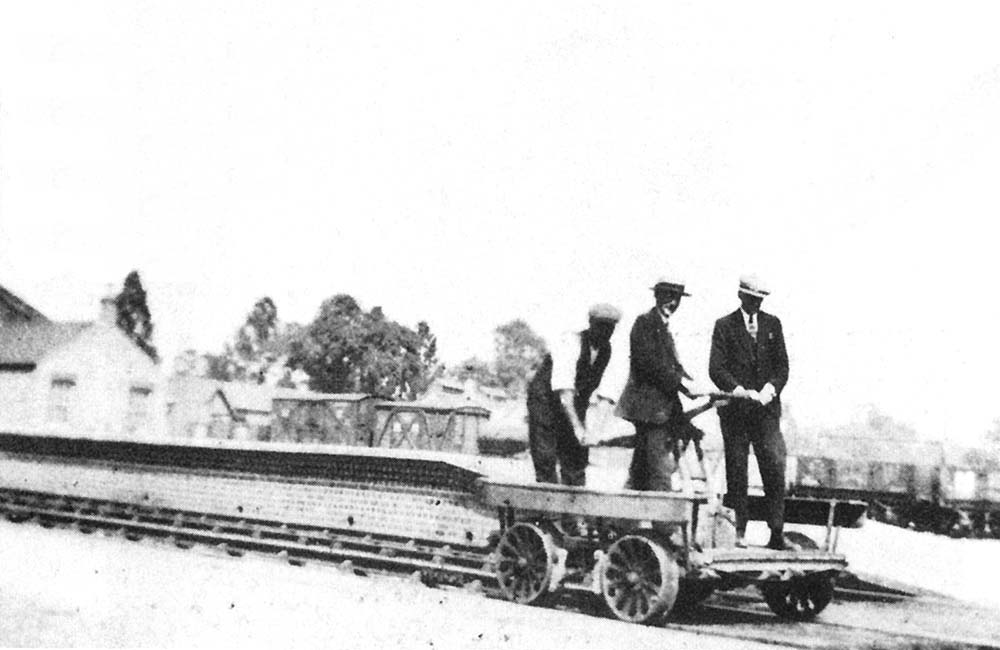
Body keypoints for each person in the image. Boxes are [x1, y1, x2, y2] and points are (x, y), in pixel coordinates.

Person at [709, 274, 791, 550]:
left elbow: (783, 367)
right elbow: (716, 368)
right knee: (737, 470)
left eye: (760, 299)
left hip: (766, 412)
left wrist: (770, 389)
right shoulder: (724, 326)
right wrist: (739, 389)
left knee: (774, 463)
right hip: (736, 413)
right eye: (751, 298)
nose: (755, 304)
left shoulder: (773, 324)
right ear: (741, 296)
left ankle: (776, 532)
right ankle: (739, 532)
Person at [526, 303, 622, 486]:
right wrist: (577, 427)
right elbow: (565, 390)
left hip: (574, 403)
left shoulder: (606, 351)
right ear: (591, 323)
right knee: (545, 457)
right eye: (601, 326)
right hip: (545, 402)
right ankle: (548, 511)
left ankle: (575, 509)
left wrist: (594, 431)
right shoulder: (571, 342)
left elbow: (607, 395)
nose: (605, 332)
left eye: (610, 328)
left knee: (576, 457)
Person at [615, 276, 695, 492]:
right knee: (661, 467)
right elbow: (651, 364)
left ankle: (621, 522)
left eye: (677, 298)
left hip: (659, 410)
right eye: (669, 296)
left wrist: (693, 383)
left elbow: (673, 366)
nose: (673, 302)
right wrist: (684, 386)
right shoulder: (645, 323)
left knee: (640, 469)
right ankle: (665, 525)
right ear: (657, 296)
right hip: (649, 410)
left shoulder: (663, 326)